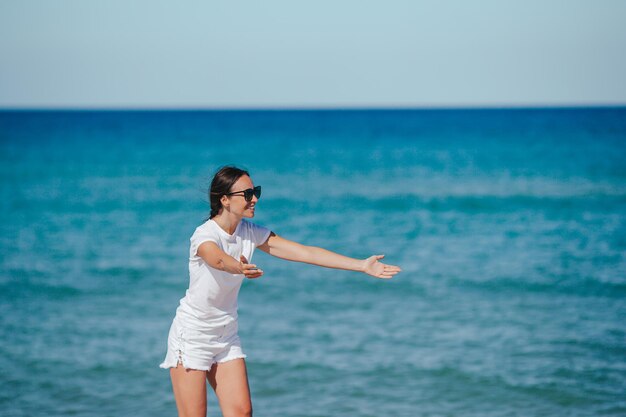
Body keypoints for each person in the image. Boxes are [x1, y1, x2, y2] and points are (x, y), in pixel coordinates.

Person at [159, 166, 402, 417]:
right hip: (192, 336)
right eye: (247, 193)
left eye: (256, 192)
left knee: (242, 412)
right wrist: (239, 267)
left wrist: (361, 265)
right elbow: (217, 259)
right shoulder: (205, 235)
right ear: (225, 200)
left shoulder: (250, 232)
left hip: (226, 334)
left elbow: (305, 252)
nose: (254, 199)